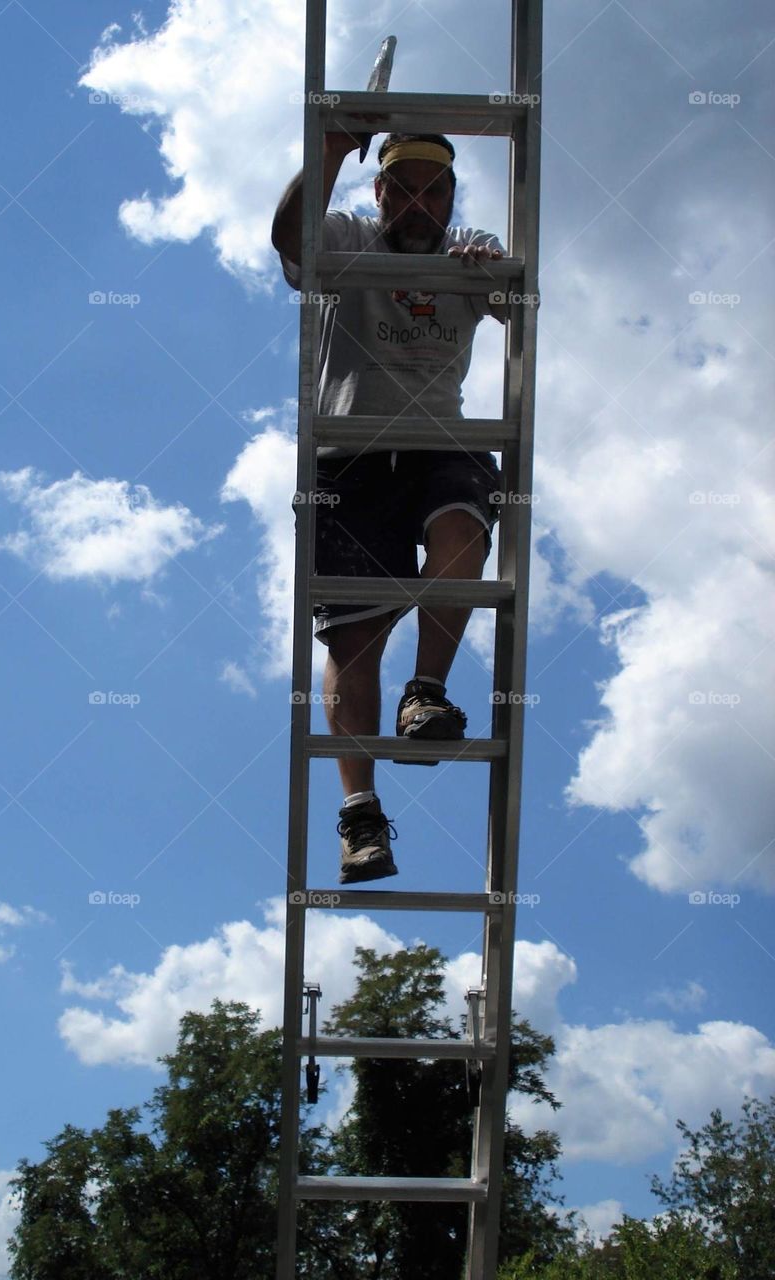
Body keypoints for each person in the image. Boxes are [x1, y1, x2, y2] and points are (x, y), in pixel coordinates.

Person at [271, 129, 507, 886]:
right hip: (350, 456)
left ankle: (428, 694)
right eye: (402, 187)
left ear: (449, 198)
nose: (418, 203)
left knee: (464, 521)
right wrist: (333, 149)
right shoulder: (347, 237)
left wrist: (490, 280)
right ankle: (361, 815)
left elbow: (517, 304)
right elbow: (288, 239)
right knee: (352, 645)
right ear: (378, 194)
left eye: (433, 190)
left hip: (439, 444)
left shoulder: (466, 245)